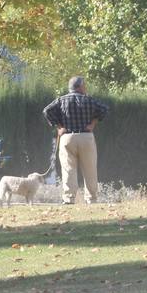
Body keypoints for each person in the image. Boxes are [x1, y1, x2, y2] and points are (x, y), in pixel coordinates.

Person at [44, 75, 109, 205]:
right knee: (90, 169)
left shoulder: (61, 100)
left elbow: (46, 111)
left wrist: (59, 126)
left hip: (67, 137)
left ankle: (69, 199)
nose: (85, 87)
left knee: (68, 169)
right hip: (86, 137)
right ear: (79, 87)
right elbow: (105, 109)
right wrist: (93, 124)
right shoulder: (89, 100)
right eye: (84, 85)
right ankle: (91, 199)